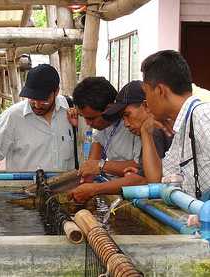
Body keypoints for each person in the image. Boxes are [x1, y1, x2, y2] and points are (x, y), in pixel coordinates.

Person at [68, 80, 173, 203]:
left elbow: (144, 179)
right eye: (123, 116)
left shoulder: (150, 130)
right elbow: (147, 176)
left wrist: (96, 182)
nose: (126, 123)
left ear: (146, 106)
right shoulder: (143, 129)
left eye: (127, 115)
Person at [0, 64, 75, 172]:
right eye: (32, 99)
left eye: (43, 100)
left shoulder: (71, 110)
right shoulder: (13, 116)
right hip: (26, 187)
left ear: (56, 92)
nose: (37, 105)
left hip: (68, 186)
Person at [141, 50, 210, 200]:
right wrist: (145, 132)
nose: (146, 102)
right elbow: (157, 178)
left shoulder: (202, 116)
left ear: (160, 91)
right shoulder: (184, 125)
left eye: (146, 93)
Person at [70, 77, 141, 179]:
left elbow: (141, 167)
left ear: (109, 109)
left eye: (91, 118)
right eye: (83, 117)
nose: (88, 123)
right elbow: (91, 165)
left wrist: (101, 166)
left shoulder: (135, 125)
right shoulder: (102, 127)